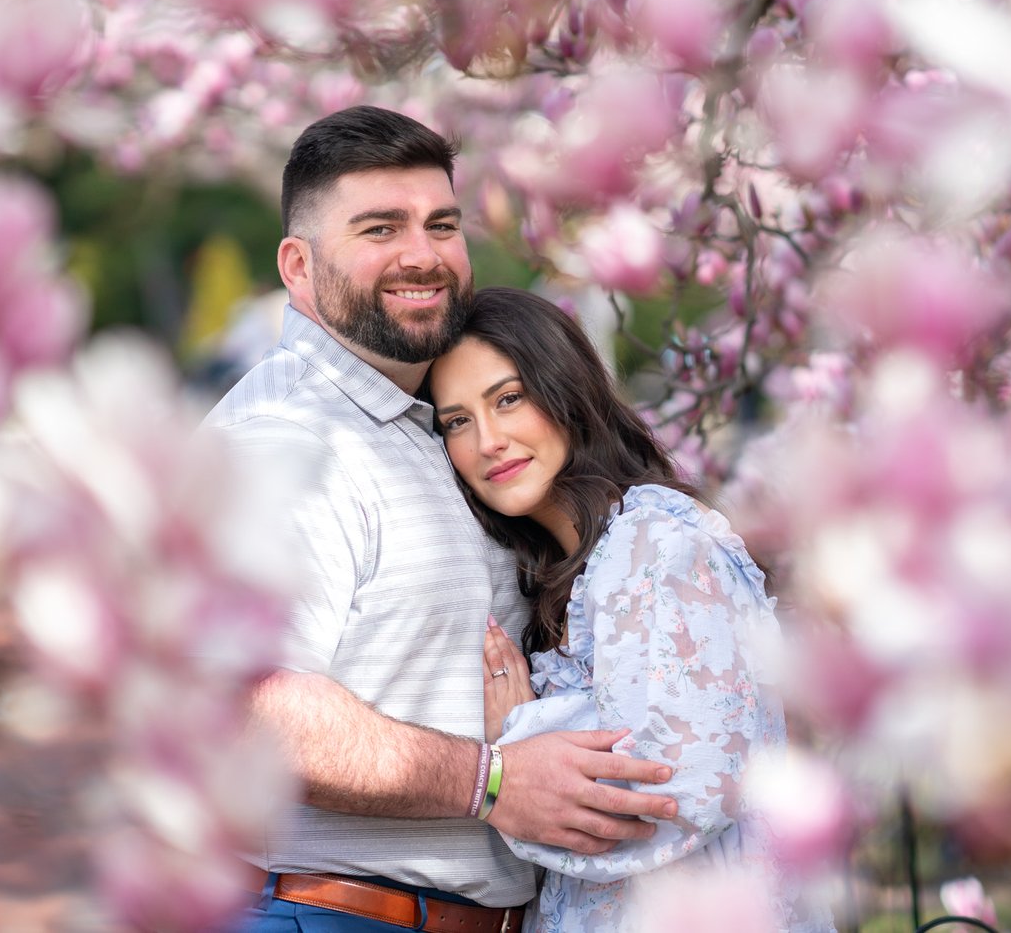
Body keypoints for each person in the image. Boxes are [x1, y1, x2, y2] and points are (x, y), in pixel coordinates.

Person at [207, 108, 680, 933]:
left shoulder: (436, 419)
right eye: (380, 228)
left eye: (441, 224)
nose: (421, 254)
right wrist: (492, 780)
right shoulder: (285, 444)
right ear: (298, 264)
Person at [425, 288, 832, 933]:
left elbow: (679, 785)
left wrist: (515, 747)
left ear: (563, 389)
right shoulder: (566, 575)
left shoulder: (655, 543)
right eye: (457, 421)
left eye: (508, 399)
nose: (489, 441)